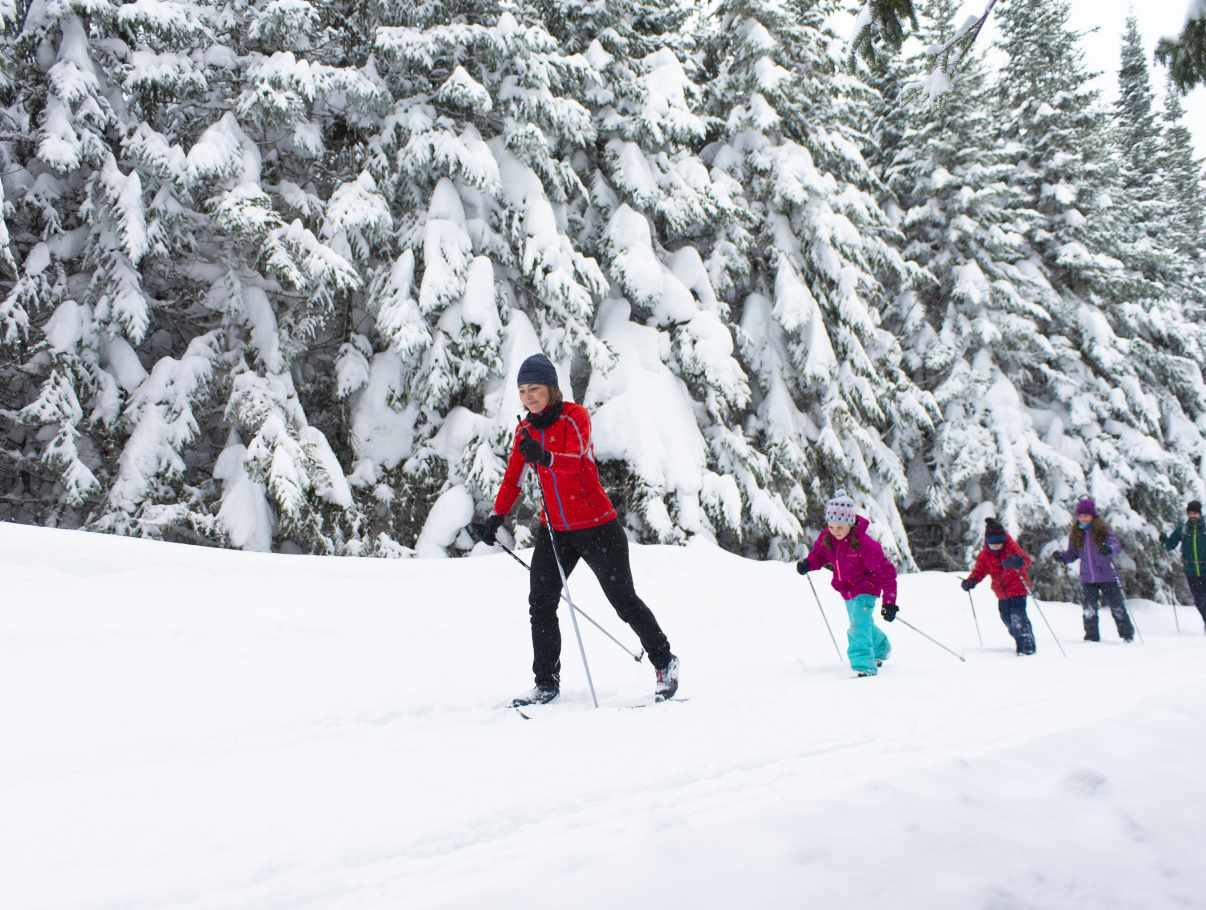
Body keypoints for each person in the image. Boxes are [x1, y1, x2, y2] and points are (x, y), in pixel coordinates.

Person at [479, 353, 679, 706]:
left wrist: (545, 457)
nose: (528, 397)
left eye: (535, 389)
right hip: (556, 532)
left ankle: (665, 662)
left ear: (551, 389)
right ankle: (546, 682)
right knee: (540, 603)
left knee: (623, 601)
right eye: (522, 391)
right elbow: (513, 479)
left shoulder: (575, 417)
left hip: (598, 527)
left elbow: (576, 461)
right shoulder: (525, 430)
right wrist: (497, 515)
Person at [796, 490, 899, 677]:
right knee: (861, 622)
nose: (835, 532)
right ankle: (881, 647)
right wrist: (808, 564)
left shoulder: (865, 545)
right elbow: (819, 555)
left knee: (858, 626)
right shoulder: (828, 538)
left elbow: (887, 573)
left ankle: (863, 665)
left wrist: (889, 603)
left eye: (840, 527)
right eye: (832, 526)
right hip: (847, 590)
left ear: (850, 524)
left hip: (866, 588)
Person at [1053, 497, 1134, 642]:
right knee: (1089, 610)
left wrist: (1108, 548)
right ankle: (1091, 637)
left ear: (1092, 516)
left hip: (1106, 575)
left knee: (1117, 607)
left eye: (1086, 515)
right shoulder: (1077, 533)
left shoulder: (1102, 530)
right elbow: (1073, 553)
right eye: (1081, 515)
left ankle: (1127, 635)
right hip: (1087, 578)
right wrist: (1063, 557)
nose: (1083, 518)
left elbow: (1115, 545)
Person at [961, 518, 1036, 655]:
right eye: (992, 544)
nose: (996, 546)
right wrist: (971, 581)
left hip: (1018, 589)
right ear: (987, 542)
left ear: (1003, 541)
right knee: (1006, 618)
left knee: (1018, 617)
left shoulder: (1010, 548)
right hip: (1001, 593)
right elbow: (979, 571)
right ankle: (1020, 635)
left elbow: (1026, 560)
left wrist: (1017, 562)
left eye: (999, 543)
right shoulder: (985, 555)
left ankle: (1026, 645)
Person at [1160, 499, 1206, 632]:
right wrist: (1164, 540)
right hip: (1191, 570)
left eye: (1195, 513)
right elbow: (1170, 545)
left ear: (1199, 513)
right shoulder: (1183, 529)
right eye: (1190, 513)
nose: (1192, 516)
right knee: (1199, 600)